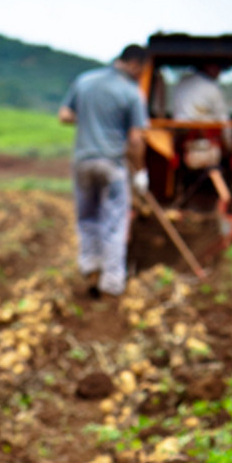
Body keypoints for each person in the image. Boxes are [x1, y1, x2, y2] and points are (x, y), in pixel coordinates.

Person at [59, 44, 150, 298]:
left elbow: (65, 115)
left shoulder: (85, 80)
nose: (142, 75)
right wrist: (141, 172)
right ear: (135, 64)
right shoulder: (132, 93)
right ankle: (112, 284)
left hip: (83, 161)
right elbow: (135, 140)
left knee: (87, 217)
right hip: (112, 164)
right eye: (143, 70)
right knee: (113, 223)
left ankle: (90, 269)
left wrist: (89, 121)